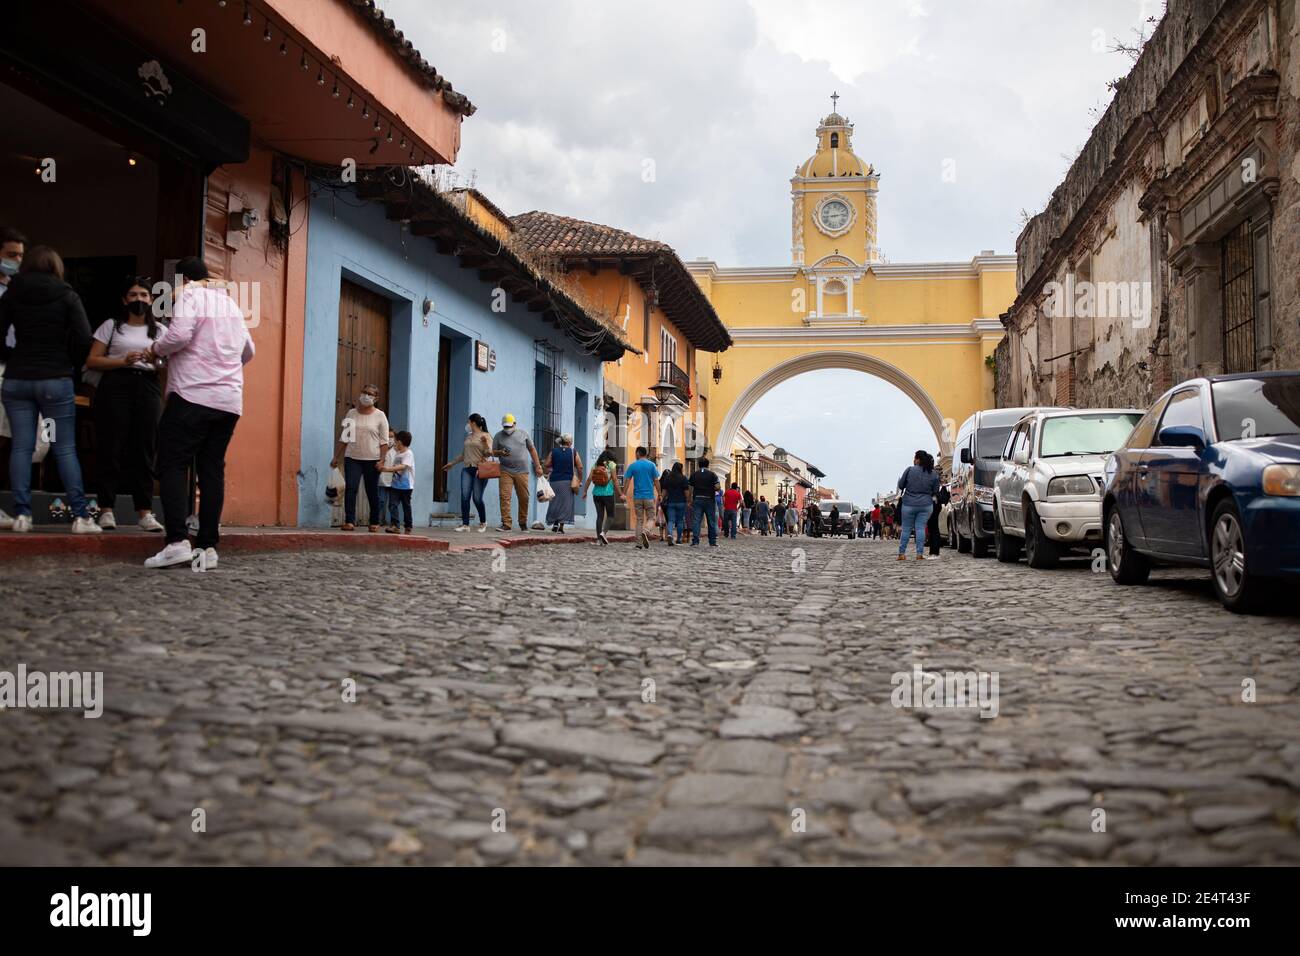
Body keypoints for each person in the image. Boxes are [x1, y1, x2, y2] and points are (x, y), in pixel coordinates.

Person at [141, 256, 254, 567]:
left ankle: (177, 540)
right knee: (211, 470)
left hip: (192, 395)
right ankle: (207, 547)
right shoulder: (230, 305)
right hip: (229, 400)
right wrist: (222, 369)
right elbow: (249, 351)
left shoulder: (189, 295)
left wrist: (155, 349)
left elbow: (178, 336)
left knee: (172, 464)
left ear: (182, 280)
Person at [0, 245, 99, 534]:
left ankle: (21, 515)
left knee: (21, 445)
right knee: (62, 446)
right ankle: (80, 517)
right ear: (57, 267)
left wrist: (11, 355)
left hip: (18, 381)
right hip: (54, 384)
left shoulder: (12, 294)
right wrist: (67, 362)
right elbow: (84, 339)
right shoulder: (67, 295)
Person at [86, 276, 165, 532]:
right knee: (111, 446)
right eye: (133, 295)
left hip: (148, 385)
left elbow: (170, 364)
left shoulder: (160, 331)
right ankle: (106, 510)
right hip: (116, 386)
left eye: (143, 295)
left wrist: (155, 361)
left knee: (144, 448)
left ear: (151, 300)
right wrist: (122, 361)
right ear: (124, 300)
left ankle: (145, 512)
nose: (138, 300)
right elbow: (93, 360)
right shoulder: (112, 326)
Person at [330, 382, 390, 533]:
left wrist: (382, 460)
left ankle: (374, 521)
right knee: (351, 488)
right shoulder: (351, 413)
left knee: (372, 491)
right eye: (364, 392)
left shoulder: (380, 416)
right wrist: (336, 456)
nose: (366, 396)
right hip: (353, 457)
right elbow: (345, 437)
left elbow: (384, 442)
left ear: (376, 398)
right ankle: (350, 521)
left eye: (370, 394)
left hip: (373, 459)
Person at [0, 228, 25, 529]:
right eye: (10, 255)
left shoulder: (18, 290)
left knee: (6, 437)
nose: (16, 261)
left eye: (19, 256)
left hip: (14, 366)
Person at [493, 413, 542, 532]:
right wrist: (500, 452)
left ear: (515, 424)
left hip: (522, 471)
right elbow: (494, 452)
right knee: (504, 496)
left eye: (509, 426)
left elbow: (532, 449)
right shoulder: (498, 436)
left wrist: (538, 466)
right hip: (505, 470)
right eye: (505, 427)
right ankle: (506, 523)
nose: (507, 429)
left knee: (524, 497)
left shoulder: (523, 434)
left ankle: (523, 522)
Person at [443, 412, 492, 533]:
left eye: (468, 422)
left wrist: (485, 444)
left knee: (477, 498)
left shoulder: (486, 435)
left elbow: (489, 453)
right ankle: (465, 524)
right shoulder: (469, 437)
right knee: (465, 497)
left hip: (479, 470)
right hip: (467, 469)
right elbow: (464, 454)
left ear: (473, 423)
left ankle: (483, 522)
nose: (467, 424)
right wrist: (452, 463)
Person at [897, 449, 940, 561]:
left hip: (908, 504)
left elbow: (901, 485)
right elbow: (936, 491)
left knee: (906, 529)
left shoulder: (910, 470)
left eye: (915, 458)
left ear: (917, 460)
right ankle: (919, 554)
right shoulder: (933, 473)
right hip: (926, 505)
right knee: (920, 528)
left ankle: (902, 554)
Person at [621, 446, 660, 549]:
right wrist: (660, 494)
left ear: (638, 453)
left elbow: (627, 480)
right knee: (651, 517)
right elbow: (656, 481)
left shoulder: (633, 465)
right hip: (649, 497)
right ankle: (646, 531)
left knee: (639, 520)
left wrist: (623, 493)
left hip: (637, 497)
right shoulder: (652, 465)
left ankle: (638, 544)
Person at [543, 433, 582, 533]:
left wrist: (553, 468)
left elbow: (546, 464)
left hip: (555, 481)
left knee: (555, 502)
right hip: (567, 482)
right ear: (569, 442)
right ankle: (561, 527)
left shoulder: (554, 451)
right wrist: (579, 479)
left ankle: (555, 523)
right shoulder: (573, 452)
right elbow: (580, 467)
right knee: (565, 504)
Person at [582, 448, 622, 545]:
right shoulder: (611, 464)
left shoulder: (596, 465)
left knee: (599, 516)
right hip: (608, 494)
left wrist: (584, 491)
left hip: (596, 494)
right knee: (611, 516)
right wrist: (621, 494)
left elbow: (588, 479)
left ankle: (598, 540)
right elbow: (615, 480)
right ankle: (603, 533)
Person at [380, 430, 414, 534]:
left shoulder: (408, 454)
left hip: (406, 486)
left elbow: (403, 466)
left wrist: (387, 469)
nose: (394, 442)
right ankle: (395, 525)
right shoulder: (398, 453)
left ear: (399, 442)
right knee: (392, 504)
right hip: (395, 485)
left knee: (406, 506)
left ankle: (408, 525)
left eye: (395, 440)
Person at [687, 458, 720, 546]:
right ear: (708, 465)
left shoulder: (694, 474)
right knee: (711, 521)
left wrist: (689, 500)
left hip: (697, 499)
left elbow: (690, 488)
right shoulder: (713, 475)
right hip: (709, 499)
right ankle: (712, 541)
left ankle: (695, 541)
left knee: (696, 521)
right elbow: (717, 487)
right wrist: (711, 487)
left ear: (699, 465)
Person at [659, 461, 688, 545]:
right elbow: (686, 491)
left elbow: (664, 491)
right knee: (679, 521)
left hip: (671, 502)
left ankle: (670, 534)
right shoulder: (683, 478)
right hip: (681, 502)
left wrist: (662, 499)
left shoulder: (668, 478)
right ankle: (678, 539)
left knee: (670, 520)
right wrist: (688, 500)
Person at [376, 428, 398, 533]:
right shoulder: (380, 449)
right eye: (388, 436)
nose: (390, 439)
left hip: (393, 481)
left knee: (392, 504)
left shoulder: (397, 451)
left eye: (392, 437)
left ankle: (394, 523)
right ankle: (378, 520)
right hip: (382, 480)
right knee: (380, 501)